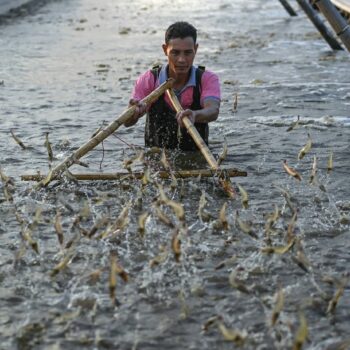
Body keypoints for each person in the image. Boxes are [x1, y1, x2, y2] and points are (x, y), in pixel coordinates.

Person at [125, 21, 221, 151]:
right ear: (165, 50)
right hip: (156, 160)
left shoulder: (207, 79)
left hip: (195, 156)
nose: (181, 60)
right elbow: (127, 122)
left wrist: (195, 115)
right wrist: (133, 113)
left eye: (187, 53)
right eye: (175, 53)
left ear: (196, 49)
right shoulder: (149, 79)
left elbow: (213, 111)